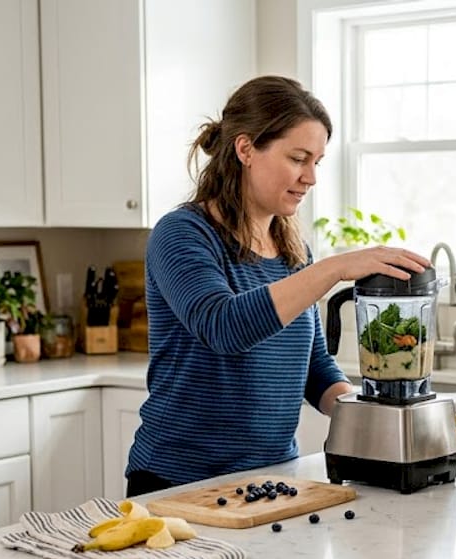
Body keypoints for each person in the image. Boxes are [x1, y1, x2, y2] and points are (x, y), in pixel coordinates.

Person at [124, 75, 430, 496]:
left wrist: (372, 413)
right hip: (179, 484)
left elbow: (314, 368)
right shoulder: (182, 234)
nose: (311, 177)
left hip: (271, 482)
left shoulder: (293, 252)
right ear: (246, 149)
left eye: (317, 162)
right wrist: (334, 268)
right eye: (298, 158)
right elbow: (223, 327)